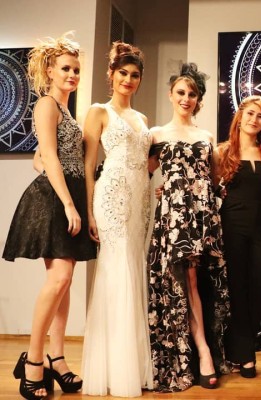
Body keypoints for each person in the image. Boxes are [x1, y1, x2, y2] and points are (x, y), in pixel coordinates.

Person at [3, 33, 96, 400]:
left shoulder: (66, 109)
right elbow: (50, 157)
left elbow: (39, 158)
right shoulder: (46, 104)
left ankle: (57, 358)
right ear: (51, 71)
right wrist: (69, 204)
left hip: (68, 193)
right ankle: (33, 361)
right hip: (56, 200)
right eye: (66, 68)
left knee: (65, 281)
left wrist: (71, 192)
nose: (72, 74)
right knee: (59, 279)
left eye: (76, 69)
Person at [147, 63, 229, 392]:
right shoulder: (156, 134)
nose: (186, 98)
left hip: (202, 217)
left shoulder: (206, 137)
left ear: (198, 100)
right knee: (185, 280)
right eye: (181, 92)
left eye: (192, 94)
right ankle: (200, 352)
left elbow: (216, 179)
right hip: (173, 219)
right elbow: (142, 172)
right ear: (171, 95)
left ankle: (203, 351)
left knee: (197, 281)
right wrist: (165, 189)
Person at [81, 42, 154, 397]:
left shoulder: (142, 120)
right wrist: (88, 210)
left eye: (134, 75)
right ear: (111, 75)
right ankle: (113, 370)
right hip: (111, 198)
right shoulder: (98, 111)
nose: (128, 79)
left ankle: (131, 366)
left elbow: (145, 164)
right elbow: (88, 165)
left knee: (133, 268)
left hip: (140, 201)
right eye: (122, 73)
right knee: (116, 270)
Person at [217, 95, 261, 378]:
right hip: (232, 227)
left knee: (257, 288)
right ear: (240, 117)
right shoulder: (222, 152)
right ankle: (245, 356)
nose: (254, 119)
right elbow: (206, 190)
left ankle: (241, 349)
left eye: (260, 116)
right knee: (237, 289)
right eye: (250, 114)